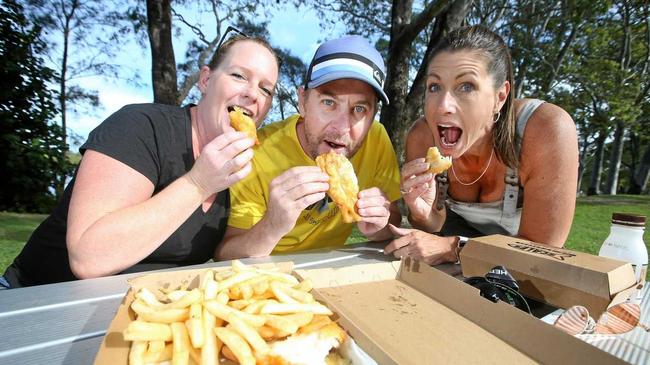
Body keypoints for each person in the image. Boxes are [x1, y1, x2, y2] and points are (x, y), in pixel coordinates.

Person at [1, 32, 279, 288]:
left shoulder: (238, 168)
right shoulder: (140, 126)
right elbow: (88, 258)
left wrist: (278, 220)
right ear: (205, 80)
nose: (253, 94)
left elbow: (226, 254)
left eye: (266, 89)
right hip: (33, 303)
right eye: (239, 76)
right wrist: (198, 183)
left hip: (131, 321)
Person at [385, 25, 578, 265]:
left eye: (466, 86)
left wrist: (451, 247)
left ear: (500, 97)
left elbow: (543, 251)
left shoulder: (545, 130)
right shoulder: (422, 137)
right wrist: (423, 214)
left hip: (524, 276)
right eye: (434, 86)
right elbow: (432, 227)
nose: (442, 105)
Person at [217, 35, 402, 259]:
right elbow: (225, 255)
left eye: (360, 109)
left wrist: (377, 224)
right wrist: (272, 225)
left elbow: (393, 220)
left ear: (373, 116)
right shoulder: (256, 154)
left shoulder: (377, 140)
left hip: (333, 269)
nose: (342, 127)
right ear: (303, 102)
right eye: (328, 103)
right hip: (266, 272)